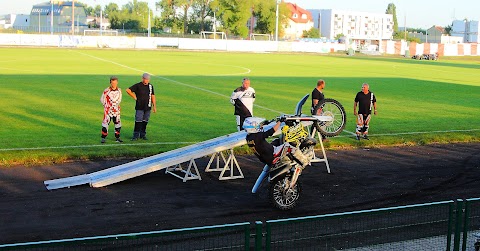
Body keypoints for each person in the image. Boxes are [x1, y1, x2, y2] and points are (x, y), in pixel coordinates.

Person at [126, 73, 157, 141]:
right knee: (138, 121)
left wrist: (154, 106)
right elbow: (128, 90)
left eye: (147, 79)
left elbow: (152, 96)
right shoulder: (138, 85)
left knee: (145, 121)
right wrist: (134, 96)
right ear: (142, 78)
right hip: (140, 107)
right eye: (145, 79)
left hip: (148, 107)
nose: (146, 81)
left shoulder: (151, 86)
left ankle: (143, 134)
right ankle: (135, 135)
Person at [100, 76, 123, 143]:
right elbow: (102, 99)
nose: (114, 84)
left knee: (117, 123)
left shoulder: (119, 90)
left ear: (117, 82)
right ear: (110, 83)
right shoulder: (106, 91)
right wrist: (107, 106)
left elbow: (119, 99)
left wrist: (117, 106)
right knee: (105, 123)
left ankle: (117, 137)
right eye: (113, 83)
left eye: (115, 83)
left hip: (116, 110)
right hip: (108, 111)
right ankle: (103, 138)